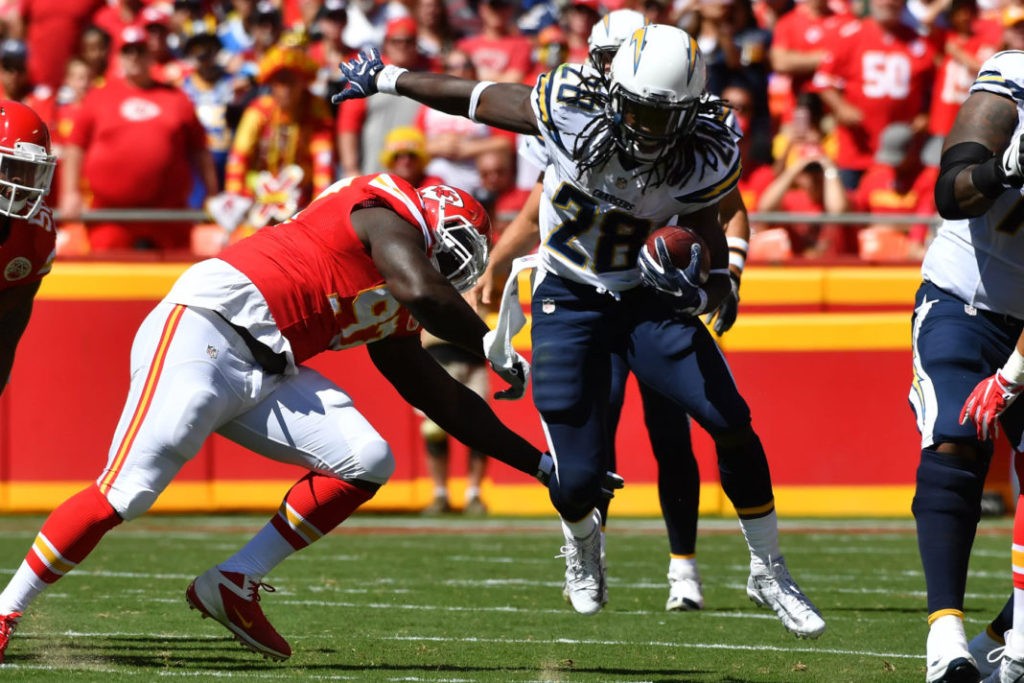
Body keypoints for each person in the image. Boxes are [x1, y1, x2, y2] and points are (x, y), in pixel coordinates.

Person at [334, 23, 825, 637]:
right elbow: (479, 95)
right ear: (617, 91)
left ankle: (768, 569)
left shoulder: (707, 143)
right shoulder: (570, 105)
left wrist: (715, 275)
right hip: (568, 293)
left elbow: (703, 215)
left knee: (729, 418)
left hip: (647, 296)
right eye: (641, 110)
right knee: (577, 480)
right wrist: (388, 78)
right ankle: (583, 541)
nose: (649, 127)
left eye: (663, 114)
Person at [0, 171, 593, 664]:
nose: (453, 263)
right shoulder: (381, 209)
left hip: (270, 366)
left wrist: (542, 464)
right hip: (205, 325)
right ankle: (7, 608)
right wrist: (489, 339)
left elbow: (440, 397)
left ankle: (234, 581)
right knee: (130, 488)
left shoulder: (403, 291)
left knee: (366, 458)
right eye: (451, 243)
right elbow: (421, 289)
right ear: (426, 218)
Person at [906, 48, 1024, 683]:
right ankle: (945, 637)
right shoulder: (1015, 78)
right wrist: (1002, 169)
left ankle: (1001, 640)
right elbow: (952, 190)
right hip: (967, 301)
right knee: (956, 437)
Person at [58, 26, 218, 253]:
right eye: (127, 51)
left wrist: (212, 194)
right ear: (119, 56)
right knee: (109, 280)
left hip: (168, 217)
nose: (134, 57)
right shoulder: (98, 96)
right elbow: (75, 147)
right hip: (110, 216)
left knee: (174, 282)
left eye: (140, 51)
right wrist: (70, 192)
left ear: (151, 54)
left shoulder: (177, 98)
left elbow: (199, 150)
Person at [0, 101, 58, 398]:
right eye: (11, 167)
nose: (20, 183)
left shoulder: (36, 231)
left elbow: (10, 321)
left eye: (29, 170)